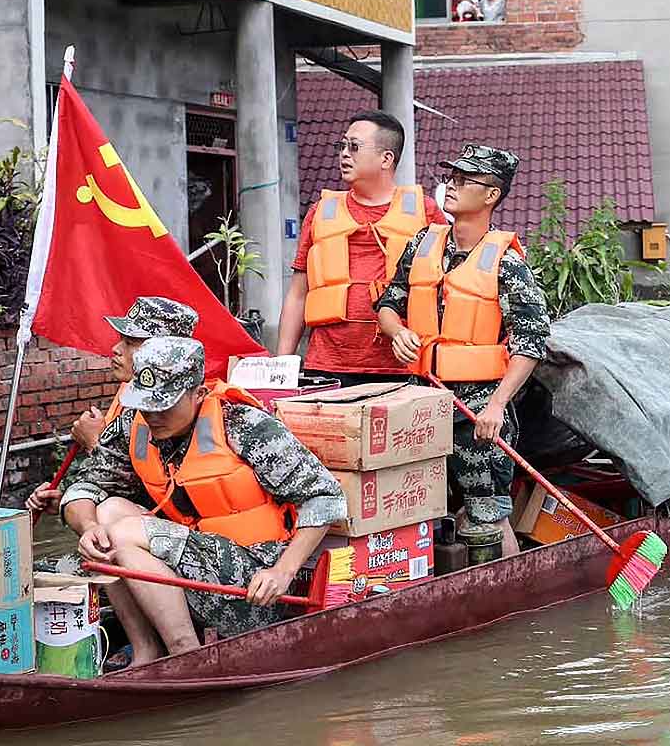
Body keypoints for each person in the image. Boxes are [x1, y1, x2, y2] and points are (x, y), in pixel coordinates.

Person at [63, 336, 345, 665]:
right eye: (146, 403)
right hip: (190, 556)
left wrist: (282, 571)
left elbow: (326, 496)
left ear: (198, 394)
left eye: (165, 404)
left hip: (254, 580)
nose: (153, 415)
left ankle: (185, 652)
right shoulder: (135, 424)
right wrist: (89, 526)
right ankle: (147, 650)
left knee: (122, 537)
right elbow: (83, 487)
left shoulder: (244, 426)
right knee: (108, 514)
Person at [374, 145, 550, 558]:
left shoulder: (506, 263)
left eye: (465, 180)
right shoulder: (423, 243)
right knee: (419, 509)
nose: (451, 185)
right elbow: (387, 303)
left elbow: (531, 342)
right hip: (421, 397)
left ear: (491, 195)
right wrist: (396, 331)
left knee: (487, 515)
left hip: (477, 410)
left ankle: (507, 600)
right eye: (451, 177)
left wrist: (496, 405)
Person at [277, 111, 446, 387]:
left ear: (386, 159)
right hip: (327, 367)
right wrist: (282, 366)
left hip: (401, 369)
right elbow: (298, 295)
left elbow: (445, 288)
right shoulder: (320, 212)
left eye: (354, 147)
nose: (344, 154)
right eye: (341, 146)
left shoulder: (424, 211)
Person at [25, 295, 199, 522]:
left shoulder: (190, 405)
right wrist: (66, 499)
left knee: (109, 513)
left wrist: (95, 442)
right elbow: (115, 481)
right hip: (152, 530)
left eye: (131, 343)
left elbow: (179, 496)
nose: (116, 349)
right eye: (121, 339)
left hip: (200, 539)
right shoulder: (131, 405)